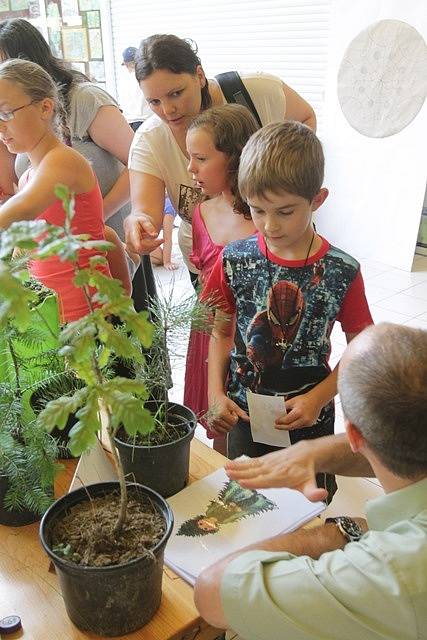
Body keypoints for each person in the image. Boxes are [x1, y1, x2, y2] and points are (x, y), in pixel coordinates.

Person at [194, 323, 427, 640]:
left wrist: (338, 532)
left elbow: (212, 593)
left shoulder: (390, 570)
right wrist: (312, 450)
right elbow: (389, 441)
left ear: (353, 434)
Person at [202, 121, 373, 498]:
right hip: (244, 411)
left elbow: (363, 348)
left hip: (309, 417)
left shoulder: (342, 271)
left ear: (317, 199)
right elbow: (221, 330)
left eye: (284, 211)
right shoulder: (233, 259)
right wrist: (216, 392)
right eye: (257, 210)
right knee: (248, 500)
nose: (269, 224)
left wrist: (320, 397)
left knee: (308, 504)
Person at [124, 33, 317, 283]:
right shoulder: (149, 140)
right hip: (210, 264)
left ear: (200, 75)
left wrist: (286, 184)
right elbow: (145, 211)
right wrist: (138, 224)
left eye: (176, 93)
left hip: (283, 251)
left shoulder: (256, 91)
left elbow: (305, 118)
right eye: (154, 101)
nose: (167, 110)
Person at [0, 59, 129, 322]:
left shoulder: (63, 160)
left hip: (89, 321)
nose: (0, 127)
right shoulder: (28, 177)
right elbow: (23, 255)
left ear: (45, 107)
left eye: (5, 114)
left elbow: (23, 208)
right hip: (54, 324)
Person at [0, 18, 134, 241]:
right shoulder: (17, 127)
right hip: (61, 247)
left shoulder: (84, 99)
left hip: (102, 241)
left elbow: (139, 162)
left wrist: (96, 215)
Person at [183, 104, 258, 454]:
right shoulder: (201, 211)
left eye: (200, 158)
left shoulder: (265, 221)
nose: (190, 169)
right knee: (218, 422)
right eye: (189, 158)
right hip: (208, 329)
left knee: (248, 424)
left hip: (247, 334)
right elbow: (203, 278)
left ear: (234, 158)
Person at [120, 46, 151, 132]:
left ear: (126, 64)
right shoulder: (146, 77)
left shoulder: (123, 80)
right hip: (147, 120)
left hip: (129, 123)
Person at [149, 197, 179, 270]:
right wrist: (167, 262)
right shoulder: (170, 206)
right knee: (160, 259)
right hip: (139, 238)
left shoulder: (156, 199)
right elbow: (167, 238)